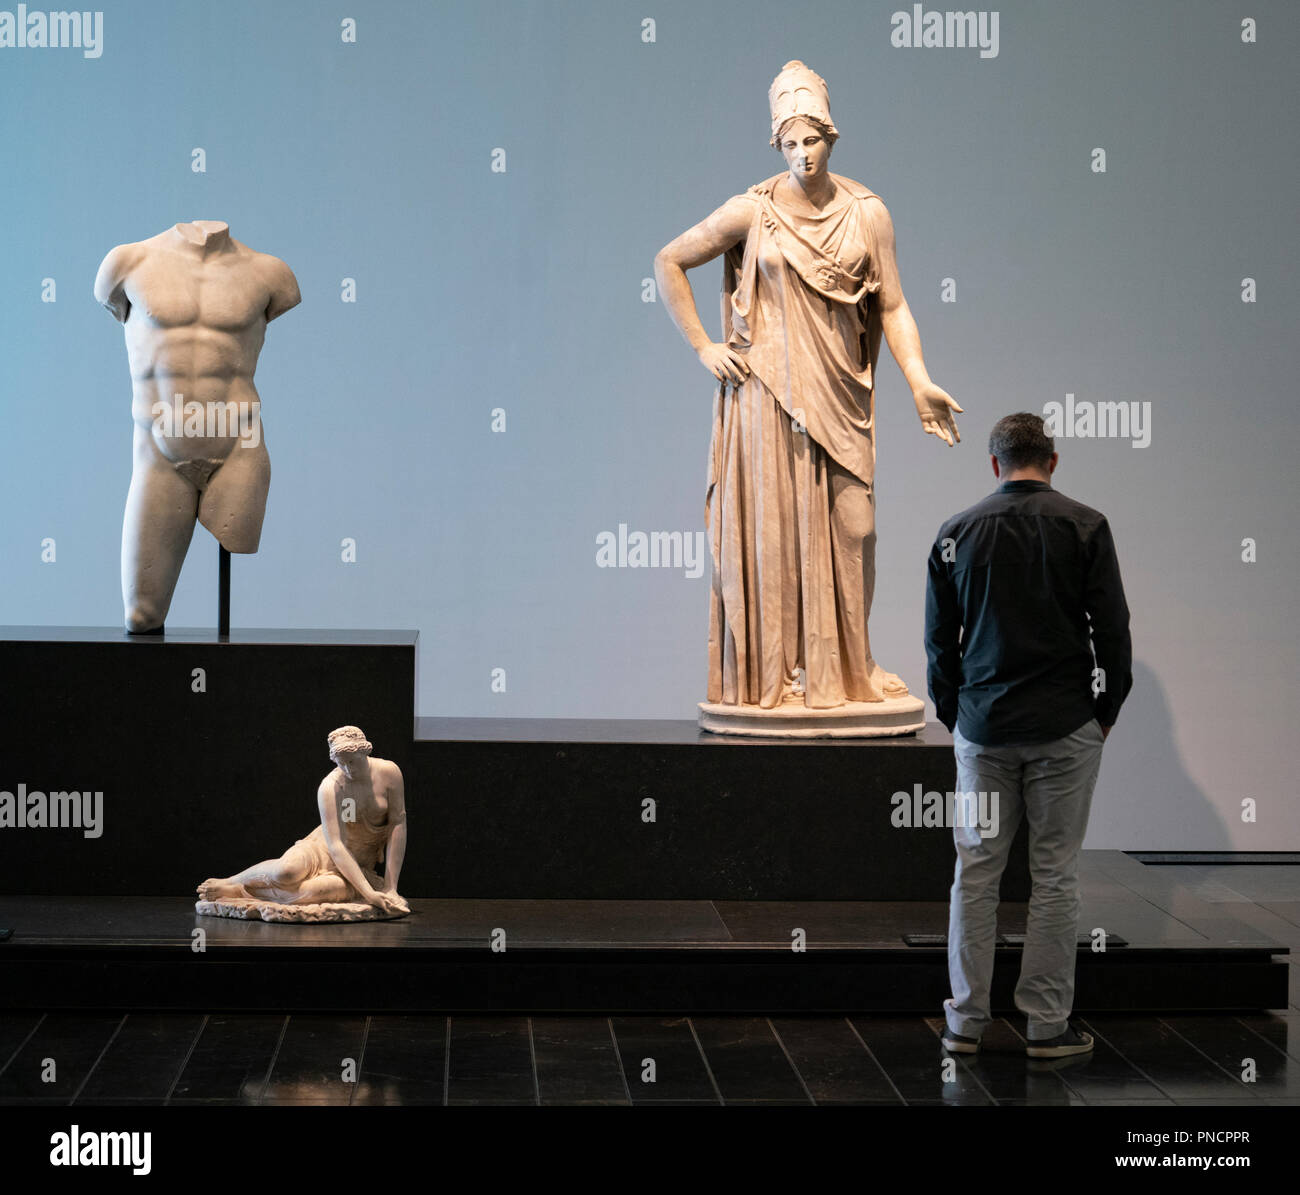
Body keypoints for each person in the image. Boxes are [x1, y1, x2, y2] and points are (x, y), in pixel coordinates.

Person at [655, 61, 961, 712]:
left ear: (832, 138)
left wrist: (920, 381)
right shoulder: (752, 211)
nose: (802, 154)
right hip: (765, 396)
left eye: (812, 140)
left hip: (841, 395)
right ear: (776, 145)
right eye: (790, 143)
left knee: (856, 524)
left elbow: (893, 306)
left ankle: (854, 666)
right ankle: (780, 673)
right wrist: (705, 346)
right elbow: (670, 259)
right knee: (775, 534)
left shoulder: (867, 214)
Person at [925, 412, 1132, 1058]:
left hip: (984, 728)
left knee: (976, 873)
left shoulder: (956, 532)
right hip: (1065, 726)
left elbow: (940, 644)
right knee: (1055, 876)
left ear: (994, 464)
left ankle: (964, 1021)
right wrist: (1105, 709)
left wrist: (956, 712)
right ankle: (1046, 1025)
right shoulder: (1087, 526)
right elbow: (1114, 633)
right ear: (1054, 459)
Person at [94, 220, 300, 633]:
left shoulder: (269, 274)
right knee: (141, 616)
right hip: (158, 453)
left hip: (239, 447)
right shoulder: (127, 263)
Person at [197, 726, 409, 916]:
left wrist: (390, 888)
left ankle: (245, 893)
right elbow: (336, 845)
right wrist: (369, 894)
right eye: (341, 764)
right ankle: (233, 882)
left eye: (352, 762)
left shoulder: (389, 773)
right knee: (287, 871)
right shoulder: (330, 787)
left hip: (358, 865)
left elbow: (397, 825)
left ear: (365, 751)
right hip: (322, 848)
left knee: (319, 891)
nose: (348, 770)